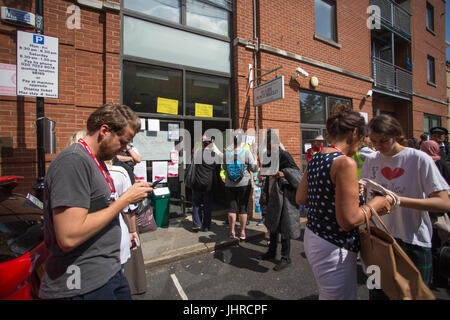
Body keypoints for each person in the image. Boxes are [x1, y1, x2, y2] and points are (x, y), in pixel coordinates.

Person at [39, 103, 153, 300]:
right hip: (82, 283)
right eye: (123, 142)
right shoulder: (74, 161)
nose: (125, 149)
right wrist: (125, 199)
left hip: (109, 272)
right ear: (104, 131)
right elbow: (69, 237)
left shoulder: (94, 160)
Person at [296, 104, 392, 300]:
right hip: (335, 244)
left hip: (314, 237)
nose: (363, 143)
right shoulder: (344, 162)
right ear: (354, 132)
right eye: (363, 137)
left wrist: (343, 193)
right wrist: (377, 203)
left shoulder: (316, 157)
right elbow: (348, 221)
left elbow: (301, 198)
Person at [361, 115, 450, 298]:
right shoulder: (371, 160)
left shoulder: (418, 159)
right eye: (374, 141)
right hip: (379, 239)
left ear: (396, 135)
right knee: (377, 293)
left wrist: (399, 200)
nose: (378, 146)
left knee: (413, 295)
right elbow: (366, 195)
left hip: (413, 240)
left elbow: (444, 203)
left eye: (384, 141)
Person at [259, 129, 302, 271]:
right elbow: (265, 174)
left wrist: (284, 173)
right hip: (272, 193)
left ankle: (285, 258)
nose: (270, 148)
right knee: (272, 225)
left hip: (284, 196)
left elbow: (297, 175)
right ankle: (271, 252)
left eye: (271, 145)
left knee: (284, 227)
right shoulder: (268, 155)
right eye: (268, 145)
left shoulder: (285, 155)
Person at [224, 133, 258, 240]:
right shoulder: (247, 152)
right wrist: (255, 158)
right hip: (244, 184)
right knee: (243, 208)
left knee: (232, 208)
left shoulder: (227, 153)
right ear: (241, 142)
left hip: (230, 184)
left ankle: (232, 231)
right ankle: (242, 232)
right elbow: (254, 169)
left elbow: (225, 168)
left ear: (233, 142)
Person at [191, 135, 219, 232]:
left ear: (203, 143)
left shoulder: (197, 153)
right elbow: (216, 167)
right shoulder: (213, 155)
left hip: (197, 182)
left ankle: (196, 224)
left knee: (196, 203)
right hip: (208, 184)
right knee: (207, 205)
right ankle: (206, 226)